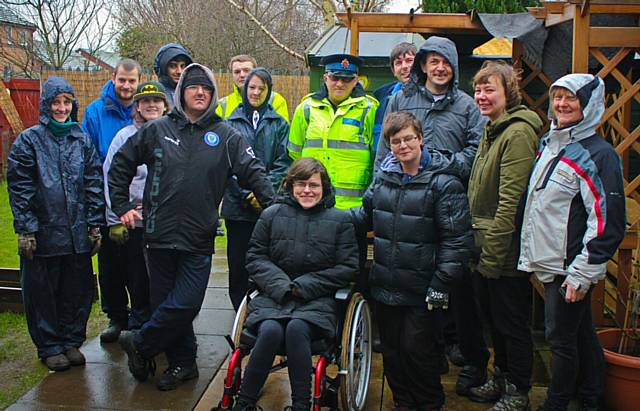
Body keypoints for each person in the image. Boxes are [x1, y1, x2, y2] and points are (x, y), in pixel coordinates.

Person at [109, 63, 275, 391]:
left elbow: (254, 172)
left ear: (213, 95)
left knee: (185, 303)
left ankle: (140, 343)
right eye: (194, 87)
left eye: (207, 89)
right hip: (157, 235)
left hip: (198, 237)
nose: (201, 93)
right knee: (165, 304)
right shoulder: (157, 130)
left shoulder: (227, 135)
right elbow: (121, 163)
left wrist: (277, 211)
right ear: (181, 91)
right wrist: (122, 206)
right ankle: (184, 364)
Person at [376, 35, 488, 390]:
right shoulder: (403, 98)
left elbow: (475, 153)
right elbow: (386, 147)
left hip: (450, 204)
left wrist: (440, 164)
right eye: (434, 61)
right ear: (423, 65)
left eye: (447, 62)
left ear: (454, 68)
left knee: (457, 286)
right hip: (407, 205)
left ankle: (471, 360)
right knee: (417, 282)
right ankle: (432, 353)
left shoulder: (468, 107)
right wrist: (379, 187)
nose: (440, 68)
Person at [351, 111, 473, 411]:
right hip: (385, 284)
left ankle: (430, 404)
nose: (403, 146)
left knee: (419, 351)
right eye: (396, 141)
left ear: (420, 139)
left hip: (423, 289)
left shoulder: (444, 184)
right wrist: (319, 213)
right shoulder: (383, 180)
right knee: (392, 352)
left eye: (408, 139)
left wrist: (441, 283)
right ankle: (403, 403)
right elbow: (360, 216)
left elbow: (457, 240)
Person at [519, 74, 625, 411]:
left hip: (570, 267)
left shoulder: (599, 155)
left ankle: (557, 403)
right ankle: (592, 398)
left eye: (571, 99)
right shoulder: (550, 144)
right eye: (558, 97)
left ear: (589, 105)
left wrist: (582, 273)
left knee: (560, 340)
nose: (561, 105)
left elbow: (607, 222)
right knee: (579, 335)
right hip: (551, 261)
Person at [232, 158, 358, 411]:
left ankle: (302, 404)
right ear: (290, 186)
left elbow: (348, 267)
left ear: (325, 188)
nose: (307, 191)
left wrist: (305, 286)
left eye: (314, 185)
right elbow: (255, 257)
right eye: (301, 184)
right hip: (274, 295)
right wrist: (281, 285)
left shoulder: (340, 221)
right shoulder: (271, 215)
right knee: (269, 331)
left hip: (316, 299)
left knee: (296, 329)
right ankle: (243, 402)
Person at [7, 76, 104, 371]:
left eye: (66, 102)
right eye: (56, 102)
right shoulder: (29, 141)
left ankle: (71, 340)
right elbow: (20, 186)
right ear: (45, 106)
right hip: (45, 234)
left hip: (76, 234)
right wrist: (26, 229)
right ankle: (49, 345)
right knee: (43, 293)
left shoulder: (81, 140)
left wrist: (95, 223)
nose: (61, 108)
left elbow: (93, 183)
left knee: (76, 290)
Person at [465, 61, 542, 411]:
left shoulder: (518, 133)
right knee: (494, 322)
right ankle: (501, 377)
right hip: (484, 247)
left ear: (508, 92)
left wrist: (493, 256)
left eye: (489, 89)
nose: (481, 96)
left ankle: (518, 389)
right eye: (478, 89)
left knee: (512, 323)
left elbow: (511, 201)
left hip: (505, 251)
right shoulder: (492, 128)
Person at [102, 81, 171, 335]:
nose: (151, 105)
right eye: (145, 101)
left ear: (165, 105)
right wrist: (116, 218)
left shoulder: (173, 135)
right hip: (134, 220)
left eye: (156, 101)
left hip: (165, 222)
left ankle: (164, 329)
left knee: (164, 280)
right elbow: (112, 176)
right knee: (138, 278)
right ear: (137, 106)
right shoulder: (125, 136)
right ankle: (140, 331)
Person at [82, 58, 142, 343]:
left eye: (132, 81)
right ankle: (116, 316)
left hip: (140, 204)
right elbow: (89, 157)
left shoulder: (144, 108)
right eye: (122, 80)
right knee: (110, 266)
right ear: (113, 78)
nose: (127, 86)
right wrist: (108, 209)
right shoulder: (96, 112)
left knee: (138, 265)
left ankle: (140, 317)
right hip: (107, 197)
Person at [222, 67, 291, 311]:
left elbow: (284, 161)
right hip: (237, 207)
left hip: (267, 206)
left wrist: (265, 191)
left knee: (265, 260)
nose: (256, 92)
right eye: (252, 87)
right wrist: (244, 194)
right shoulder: (229, 123)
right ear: (244, 89)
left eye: (262, 88)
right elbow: (225, 165)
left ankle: (263, 307)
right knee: (238, 263)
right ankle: (239, 310)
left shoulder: (279, 124)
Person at [288, 53, 378, 210]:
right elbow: (294, 154)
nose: (339, 84)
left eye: (346, 79)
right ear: (325, 78)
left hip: (354, 208)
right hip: (314, 204)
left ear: (356, 80)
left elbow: (377, 156)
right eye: (334, 78)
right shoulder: (306, 109)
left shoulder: (370, 110)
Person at [216, 54, 289, 122]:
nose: (242, 75)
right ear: (231, 75)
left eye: (246, 70)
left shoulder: (276, 100)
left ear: (256, 72)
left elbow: (282, 132)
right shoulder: (223, 105)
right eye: (237, 72)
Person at [372, 42, 417, 150]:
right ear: (393, 71)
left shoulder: (432, 96)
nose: (404, 67)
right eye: (398, 63)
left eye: (409, 61)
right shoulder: (384, 100)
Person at [153, 43, 193, 107]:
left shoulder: (193, 94)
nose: (179, 71)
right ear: (163, 68)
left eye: (182, 66)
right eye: (173, 66)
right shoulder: (154, 96)